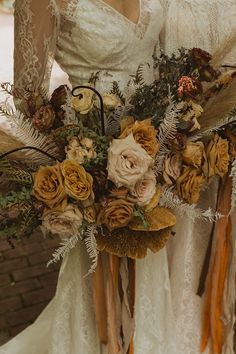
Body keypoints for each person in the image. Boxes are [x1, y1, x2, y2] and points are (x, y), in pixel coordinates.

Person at [1, 1, 236, 353]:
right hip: (94, 169)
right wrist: (84, 167)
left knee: (152, 275)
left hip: (153, 159)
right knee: (102, 286)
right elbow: (28, 104)